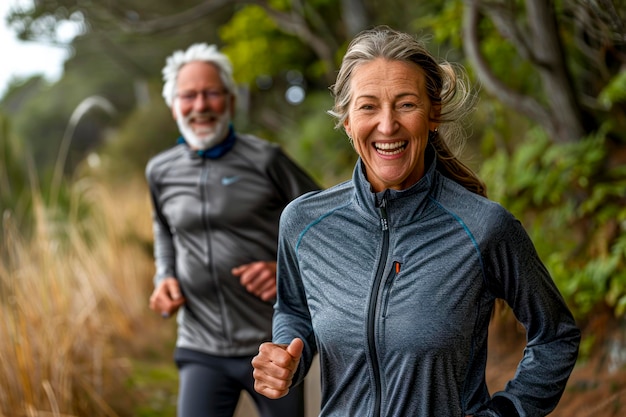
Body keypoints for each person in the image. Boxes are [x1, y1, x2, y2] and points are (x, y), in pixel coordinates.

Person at [251, 26, 581, 417]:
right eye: (368, 106)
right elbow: (294, 309)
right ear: (346, 119)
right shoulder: (305, 223)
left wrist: (508, 413)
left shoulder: (483, 228)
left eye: (406, 104)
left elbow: (556, 335)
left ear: (433, 113)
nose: (387, 126)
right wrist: (287, 356)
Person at [146, 42, 319, 417]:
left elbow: (328, 225)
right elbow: (164, 229)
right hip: (199, 344)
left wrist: (286, 273)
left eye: (211, 93)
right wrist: (164, 276)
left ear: (230, 100)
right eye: (188, 96)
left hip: (272, 342)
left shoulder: (266, 160)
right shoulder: (160, 171)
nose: (201, 105)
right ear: (173, 105)